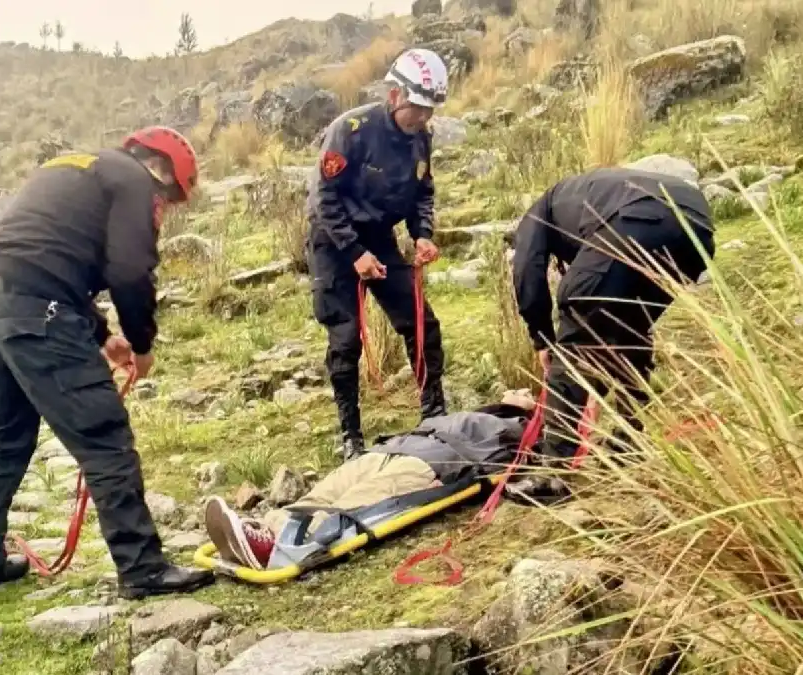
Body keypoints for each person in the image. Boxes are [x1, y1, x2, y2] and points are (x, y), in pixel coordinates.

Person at [0, 126, 214, 602]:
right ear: (163, 170)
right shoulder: (136, 180)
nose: (166, 209)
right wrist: (140, 342)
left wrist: (100, 335)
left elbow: (48, 256)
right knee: (105, 437)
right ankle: (142, 567)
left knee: (3, 442)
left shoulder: (78, 168)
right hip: (33, 304)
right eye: (173, 197)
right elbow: (130, 269)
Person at [306, 47, 452, 461]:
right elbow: (324, 199)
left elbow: (423, 191)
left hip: (379, 237)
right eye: (418, 108)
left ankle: (433, 411)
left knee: (421, 319)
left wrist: (422, 234)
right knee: (346, 336)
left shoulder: (421, 138)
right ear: (394, 97)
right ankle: (350, 435)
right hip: (334, 241)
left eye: (431, 109)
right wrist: (354, 254)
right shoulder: (349, 130)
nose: (423, 117)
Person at [203, 391, 537, 570]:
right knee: (320, 495)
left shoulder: (519, 431)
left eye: (526, 392)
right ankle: (265, 530)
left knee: (349, 507)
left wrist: (527, 413)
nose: (518, 391)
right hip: (393, 449)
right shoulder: (480, 411)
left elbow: (509, 466)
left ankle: (277, 548)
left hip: (432, 466)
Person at [511, 167, 716, 459]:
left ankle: (552, 470)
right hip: (697, 227)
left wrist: (542, 338)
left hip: (633, 220)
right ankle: (628, 440)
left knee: (575, 334)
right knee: (631, 328)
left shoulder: (536, 215)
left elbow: (527, 271)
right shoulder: (584, 194)